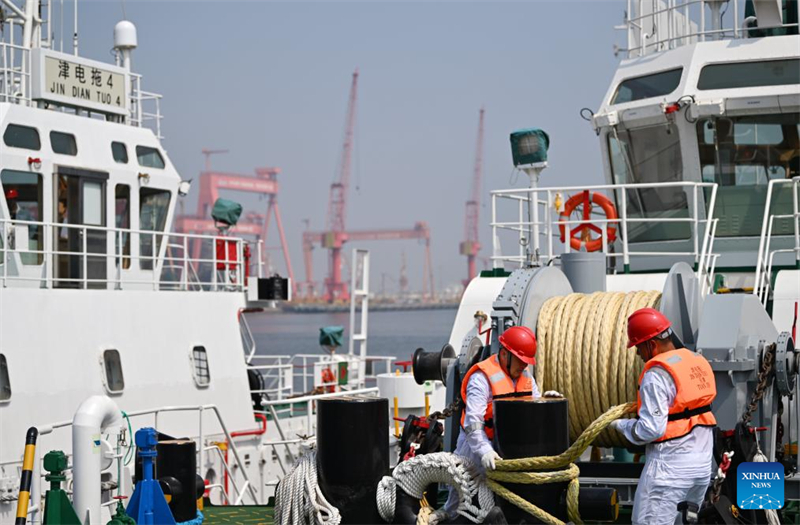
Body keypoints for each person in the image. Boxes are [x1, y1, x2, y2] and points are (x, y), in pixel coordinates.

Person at [611, 308, 717, 525]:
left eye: (638, 347)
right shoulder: (696, 361)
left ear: (651, 344)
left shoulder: (655, 375)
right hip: (702, 468)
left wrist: (621, 425)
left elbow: (651, 429)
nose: (638, 354)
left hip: (669, 470)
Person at [444, 325, 542, 520]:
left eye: (526, 362)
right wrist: (485, 450)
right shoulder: (481, 379)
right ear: (505, 354)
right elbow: (473, 423)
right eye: (521, 361)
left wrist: (549, 400)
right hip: (473, 450)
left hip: (506, 449)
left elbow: (536, 404)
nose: (524, 366)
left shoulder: (525, 376)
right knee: (460, 497)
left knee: (500, 500)